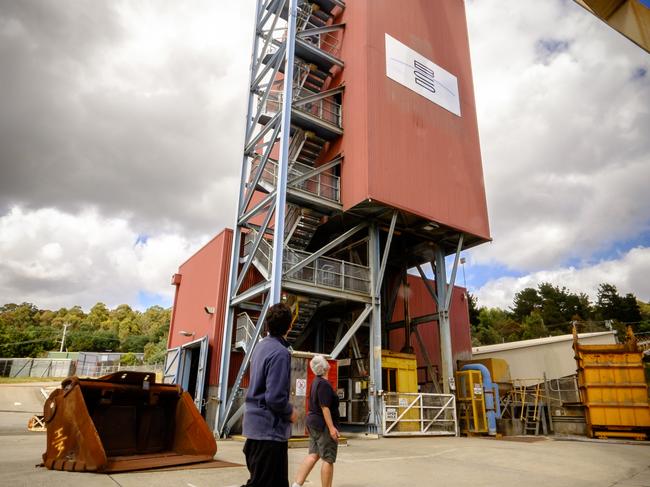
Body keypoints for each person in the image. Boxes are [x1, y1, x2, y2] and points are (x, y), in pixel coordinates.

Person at [241, 302, 297, 487]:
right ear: (290, 326)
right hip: (269, 434)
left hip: (254, 430)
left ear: (267, 324)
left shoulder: (259, 347)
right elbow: (275, 397)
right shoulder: (280, 353)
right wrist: (290, 412)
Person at [292, 355, 340, 487]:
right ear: (325, 367)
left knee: (313, 454)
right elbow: (325, 407)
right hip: (323, 425)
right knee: (328, 458)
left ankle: (297, 484)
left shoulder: (315, 382)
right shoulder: (324, 384)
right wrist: (331, 428)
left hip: (313, 423)